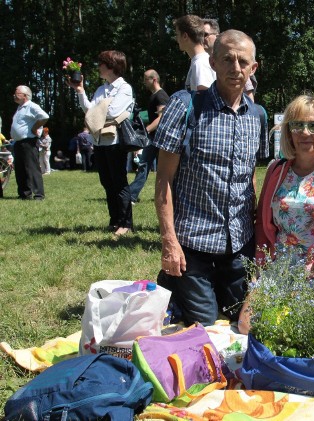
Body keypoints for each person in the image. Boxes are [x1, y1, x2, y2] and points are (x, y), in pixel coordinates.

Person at [153, 30, 260, 326]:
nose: (235, 68)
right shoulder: (186, 105)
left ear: (254, 68)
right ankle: (174, 280)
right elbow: (163, 181)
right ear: (213, 62)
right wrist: (169, 242)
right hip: (193, 244)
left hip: (238, 245)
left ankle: (194, 287)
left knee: (244, 319)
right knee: (206, 324)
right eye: (227, 59)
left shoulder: (258, 117)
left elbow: (249, 177)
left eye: (242, 61)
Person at [239, 94, 314, 334]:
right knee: (247, 326)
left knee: (309, 332)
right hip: (280, 267)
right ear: (289, 131)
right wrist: (259, 271)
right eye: (297, 125)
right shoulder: (277, 169)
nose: (305, 132)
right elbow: (263, 225)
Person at [68, 50, 134, 236]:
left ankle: (126, 223)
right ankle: (114, 220)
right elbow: (88, 109)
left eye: (101, 64)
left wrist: (97, 109)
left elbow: (113, 112)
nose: (98, 67)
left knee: (119, 182)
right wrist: (80, 91)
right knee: (106, 182)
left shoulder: (124, 88)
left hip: (114, 140)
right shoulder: (101, 89)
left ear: (111, 66)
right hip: (99, 141)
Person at [129, 69, 170, 203]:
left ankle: (131, 195)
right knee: (144, 165)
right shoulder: (155, 96)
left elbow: (161, 118)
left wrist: (145, 130)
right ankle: (132, 195)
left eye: (146, 79)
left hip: (158, 137)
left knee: (147, 165)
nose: (144, 82)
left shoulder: (161, 96)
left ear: (154, 80)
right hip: (154, 137)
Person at [10, 85, 48, 200]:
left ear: (25, 96)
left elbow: (44, 116)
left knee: (32, 168)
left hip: (29, 142)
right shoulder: (20, 108)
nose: (14, 95)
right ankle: (24, 194)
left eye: (17, 93)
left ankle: (38, 195)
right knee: (20, 169)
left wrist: (34, 128)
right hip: (18, 143)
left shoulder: (31, 106)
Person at [175, 15, 215, 91]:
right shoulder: (200, 61)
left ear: (185, 36)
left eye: (177, 35)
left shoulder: (200, 64)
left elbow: (205, 98)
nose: (176, 39)